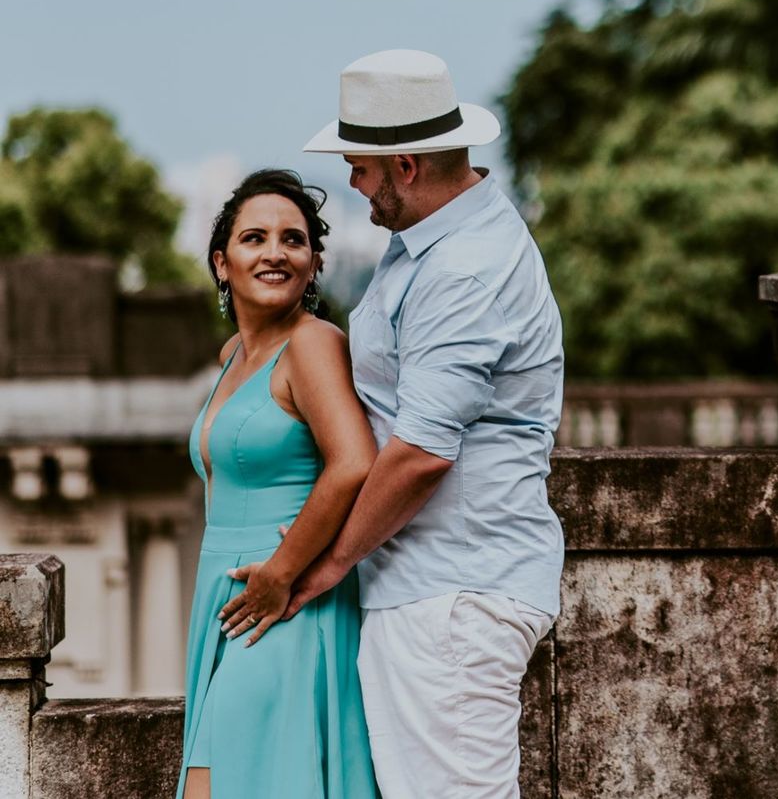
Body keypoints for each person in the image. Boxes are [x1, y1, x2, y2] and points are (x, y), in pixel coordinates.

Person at [269, 48, 566, 799]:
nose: (352, 182)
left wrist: (330, 561)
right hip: (436, 588)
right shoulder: (430, 245)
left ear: (404, 164)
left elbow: (423, 452)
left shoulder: (463, 269)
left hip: (452, 596)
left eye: (361, 167)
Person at [178, 169, 379, 799]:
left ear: (313, 264)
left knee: (221, 784)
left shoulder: (314, 345)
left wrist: (283, 573)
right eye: (254, 237)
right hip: (228, 596)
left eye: (293, 240)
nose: (274, 252)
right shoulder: (232, 356)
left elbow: (353, 462)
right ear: (221, 262)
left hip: (285, 599)